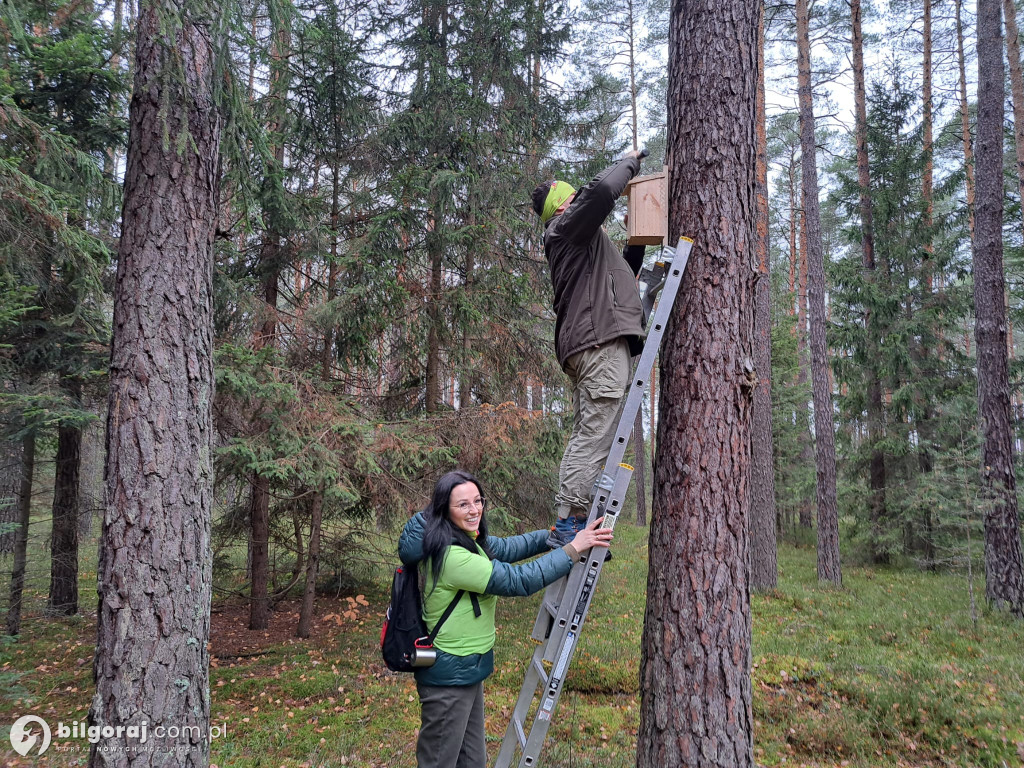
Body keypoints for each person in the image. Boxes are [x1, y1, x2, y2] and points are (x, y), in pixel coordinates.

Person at [399, 469, 611, 768]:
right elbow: (518, 580)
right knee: (439, 762)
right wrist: (574, 549)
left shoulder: (466, 539)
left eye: (478, 500)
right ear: (444, 509)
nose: (474, 510)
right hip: (449, 675)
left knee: (472, 760)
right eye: (463, 504)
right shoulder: (451, 556)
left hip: (468, 667)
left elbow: (509, 548)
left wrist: (553, 536)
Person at [530, 151, 647, 548]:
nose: (577, 200)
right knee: (594, 436)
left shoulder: (581, 243)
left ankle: (575, 519)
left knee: (591, 434)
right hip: (596, 343)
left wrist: (636, 239)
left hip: (591, 342)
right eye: (571, 197)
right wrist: (630, 160)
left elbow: (625, 278)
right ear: (563, 205)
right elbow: (599, 193)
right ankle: (569, 523)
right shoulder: (566, 227)